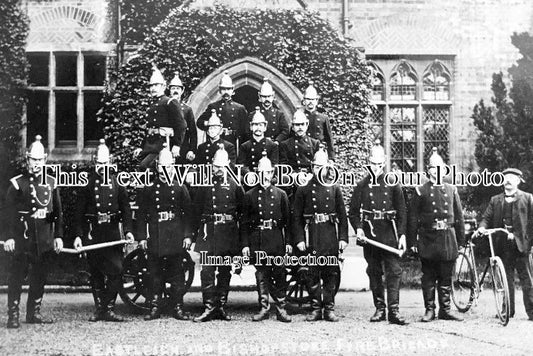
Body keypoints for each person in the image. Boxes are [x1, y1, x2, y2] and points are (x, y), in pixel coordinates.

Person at [3, 135, 64, 329]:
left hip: (44, 239)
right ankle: (13, 315)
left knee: (39, 276)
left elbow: (57, 214)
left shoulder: (52, 183)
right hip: (23, 239)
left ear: (45, 160)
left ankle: (34, 313)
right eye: (32, 159)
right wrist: (8, 237)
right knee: (17, 277)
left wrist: (59, 237)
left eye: (39, 160)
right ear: (27, 159)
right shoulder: (16, 184)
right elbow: (6, 214)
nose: (36, 164)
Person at [74, 139, 134, 322]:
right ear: (95, 163)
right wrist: (78, 235)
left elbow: (126, 209)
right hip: (94, 233)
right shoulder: (88, 184)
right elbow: (79, 213)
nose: (102, 167)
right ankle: (101, 309)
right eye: (99, 163)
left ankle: (107, 308)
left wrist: (128, 231)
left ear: (110, 163)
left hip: (112, 233)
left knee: (116, 270)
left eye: (105, 163)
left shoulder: (117, 184)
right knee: (97, 272)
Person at [348, 143, 408, 325]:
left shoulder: (393, 184)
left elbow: (403, 212)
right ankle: (380, 309)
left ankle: (394, 311)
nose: (376, 167)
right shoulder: (362, 185)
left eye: (379, 163)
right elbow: (353, 212)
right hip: (369, 235)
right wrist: (358, 228)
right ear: (369, 163)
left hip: (389, 235)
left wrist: (403, 235)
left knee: (394, 271)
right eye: (373, 163)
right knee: (374, 271)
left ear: (384, 163)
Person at [407, 147, 465, 322]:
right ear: (428, 170)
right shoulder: (420, 190)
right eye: (433, 168)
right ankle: (430, 309)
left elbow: (459, 217)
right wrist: (412, 242)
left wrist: (461, 241)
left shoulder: (451, 189)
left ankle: (445, 310)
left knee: (446, 276)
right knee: (429, 276)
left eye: (439, 168)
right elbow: (412, 219)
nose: (436, 171)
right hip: (428, 238)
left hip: (448, 238)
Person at [137, 144, 193, 321]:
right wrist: (142, 237)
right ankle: (155, 307)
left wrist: (187, 235)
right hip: (156, 235)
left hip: (175, 235)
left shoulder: (180, 188)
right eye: (162, 166)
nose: (164, 170)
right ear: (157, 167)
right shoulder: (149, 189)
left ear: (173, 167)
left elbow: (189, 215)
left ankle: (178, 307)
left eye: (168, 167)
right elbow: (141, 215)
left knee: (177, 274)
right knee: (155, 274)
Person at [292, 146, 348, 322]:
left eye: (322, 166)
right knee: (312, 273)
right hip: (311, 236)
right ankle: (316, 308)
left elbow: (342, 216)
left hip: (329, 235)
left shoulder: (334, 188)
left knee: (331, 273)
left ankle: (329, 308)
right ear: (311, 167)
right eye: (316, 166)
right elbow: (296, 218)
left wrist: (343, 238)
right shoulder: (303, 189)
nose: (319, 170)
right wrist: (299, 239)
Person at [192, 144, 245, 322]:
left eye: (222, 166)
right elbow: (196, 211)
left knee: (224, 271)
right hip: (208, 233)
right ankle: (209, 307)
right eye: (216, 166)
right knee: (207, 271)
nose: (219, 170)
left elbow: (242, 214)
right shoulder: (204, 185)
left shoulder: (235, 185)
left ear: (228, 165)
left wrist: (239, 242)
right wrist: (194, 238)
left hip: (228, 234)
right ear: (212, 165)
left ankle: (220, 307)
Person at [476, 168, 533, 320]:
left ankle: (532, 312)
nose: (508, 180)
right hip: (502, 246)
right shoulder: (495, 200)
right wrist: (482, 227)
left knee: (527, 279)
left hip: (522, 246)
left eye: (512, 178)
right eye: (505, 177)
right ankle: (507, 310)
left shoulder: (528, 198)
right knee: (506, 279)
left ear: (519, 181)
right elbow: (486, 218)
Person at [241, 153, 292, 322]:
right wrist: (245, 245)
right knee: (261, 274)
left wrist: (289, 243)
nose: (265, 176)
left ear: (272, 174)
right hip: (258, 240)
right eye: (261, 172)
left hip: (276, 239)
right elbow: (244, 224)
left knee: (279, 274)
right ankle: (264, 308)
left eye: (268, 172)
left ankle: (281, 309)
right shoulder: (249, 195)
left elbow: (287, 222)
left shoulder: (281, 195)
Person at [135, 66, 187, 169]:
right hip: (150, 146)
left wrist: (177, 145)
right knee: (142, 168)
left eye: (156, 85)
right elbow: (149, 129)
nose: (153, 88)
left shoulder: (170, 102)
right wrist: (141, 147)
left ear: (163, 86)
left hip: (164, 145)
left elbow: (181, 125)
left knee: (146, 167)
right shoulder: (151, 105)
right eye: (151, 86)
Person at [196, 71, 248, 149]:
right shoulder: (213, 106)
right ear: (220, 91)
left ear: (232, 91)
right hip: (215, 141)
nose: (226, 92)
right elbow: (199, 122)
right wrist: (209, 124)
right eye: (223, 89)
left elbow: (245, 130)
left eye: (228, 89)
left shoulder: (240, 108)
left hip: (232, 141)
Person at [237, 108, 279, 177]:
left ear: (265, 127)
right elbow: (241, 165)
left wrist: (266, 174)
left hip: (267, 177)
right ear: (251, 127)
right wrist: (248, 173)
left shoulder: (272, 146)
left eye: (260, 125)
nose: (258, 128)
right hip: (250, 179)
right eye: (255, 125)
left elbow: (274, 165)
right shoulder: (245, 146)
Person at [247, 78, 290, 143]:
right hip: (258, 144)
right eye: (264, 97)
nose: (267, 99)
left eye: (269, 96)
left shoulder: (279, 114)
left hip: (274, 145)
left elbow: (285, 131)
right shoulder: (253, 115)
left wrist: (277, 141)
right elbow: (247, 132)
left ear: (273, 96)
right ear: (260, 97)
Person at [302, 81, 335, 160]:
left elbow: (329, 139)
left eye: (313, 99)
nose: (310, 102)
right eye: (308, 99)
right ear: (304, 101)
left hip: (319, 152)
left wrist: (331, 158)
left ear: (316, 101)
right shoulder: (300, 117)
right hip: (303, 152)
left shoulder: (323, 118)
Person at [169, 72, 197, 164]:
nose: (175, 91)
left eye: (178, 88)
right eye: (173, 88)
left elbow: (193, 132)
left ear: (182, 91)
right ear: (169, 91)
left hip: (183, 147)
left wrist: (192, 150)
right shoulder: (165, 107)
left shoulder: (187, 109)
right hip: (166, 145)